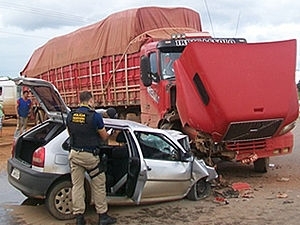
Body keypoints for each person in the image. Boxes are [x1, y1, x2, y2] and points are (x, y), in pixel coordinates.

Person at [66, 91, 116, 225]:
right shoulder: (95, 117)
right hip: (90, 157)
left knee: (77, 186)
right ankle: (103, 216)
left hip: (75, 155)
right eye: (93, 101)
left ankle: (79, 218)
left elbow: (70, 134)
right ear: (90, 101)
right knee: (99, 185)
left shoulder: (70, 115)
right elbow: (104, 137)